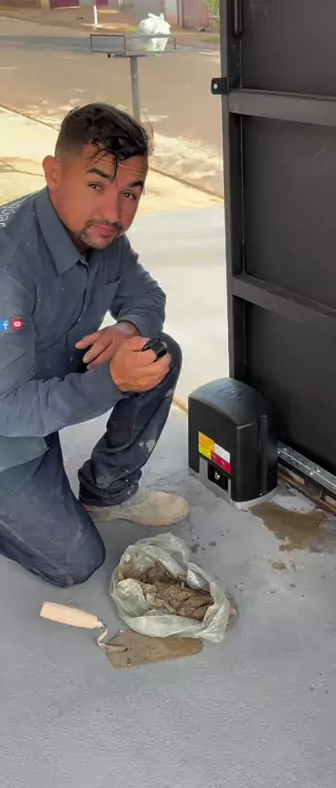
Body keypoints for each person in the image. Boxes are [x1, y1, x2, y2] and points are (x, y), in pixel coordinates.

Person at [0, 102, 189, 587]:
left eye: (130, 193)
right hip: (6, 427)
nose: (114, 213)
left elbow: (147, 297)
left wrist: (127, 330)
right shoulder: (8, 267)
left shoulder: (101, 236)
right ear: (54, 174)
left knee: (157, 353)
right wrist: (111, 381)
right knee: (75, 563)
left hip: (45, 387)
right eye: (96, 186)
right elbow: (6, 409)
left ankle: (108, 490)